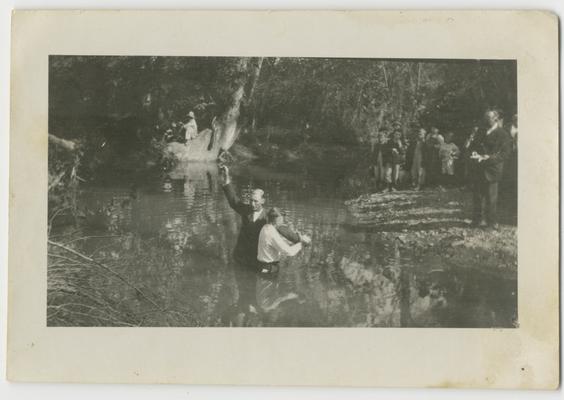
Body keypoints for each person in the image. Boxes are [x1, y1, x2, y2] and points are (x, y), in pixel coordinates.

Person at [219, 166, 306, 323]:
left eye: (256, 201)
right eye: (251, 200)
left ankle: (252, 301)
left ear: (263, 201)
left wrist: (299, 239)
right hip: (240, 257)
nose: (252, 204)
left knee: (256, 288)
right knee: (242, 286)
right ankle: (247, 299)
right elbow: (233, 201)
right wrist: (226, 179)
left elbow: (283, 229)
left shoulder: (268, 217)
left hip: (256, 260)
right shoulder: (245, 209)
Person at [256, 208, 311, 313]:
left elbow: (278, 243)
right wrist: (302, 243)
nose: (283, 221)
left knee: (267, 287)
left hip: (264, 267)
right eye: (282, 218)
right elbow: (289, 252)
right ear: (277, 219)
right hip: (268, 269)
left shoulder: (266, 228)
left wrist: (297, 241)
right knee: (269, 286)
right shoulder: (271, 232)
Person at [469, 110, 512, 229]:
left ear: (496, 119)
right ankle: (477, 220)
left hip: (492, 170)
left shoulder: (503, 134)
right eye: (485, 118)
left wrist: (490, 158)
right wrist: (474, 152)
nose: (485, 120)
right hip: (478, 168)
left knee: (491, 198)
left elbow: (505, 154)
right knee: (477, 196)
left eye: (488, 118)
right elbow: (474, 146)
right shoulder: (481, 131)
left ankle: (491, 223)